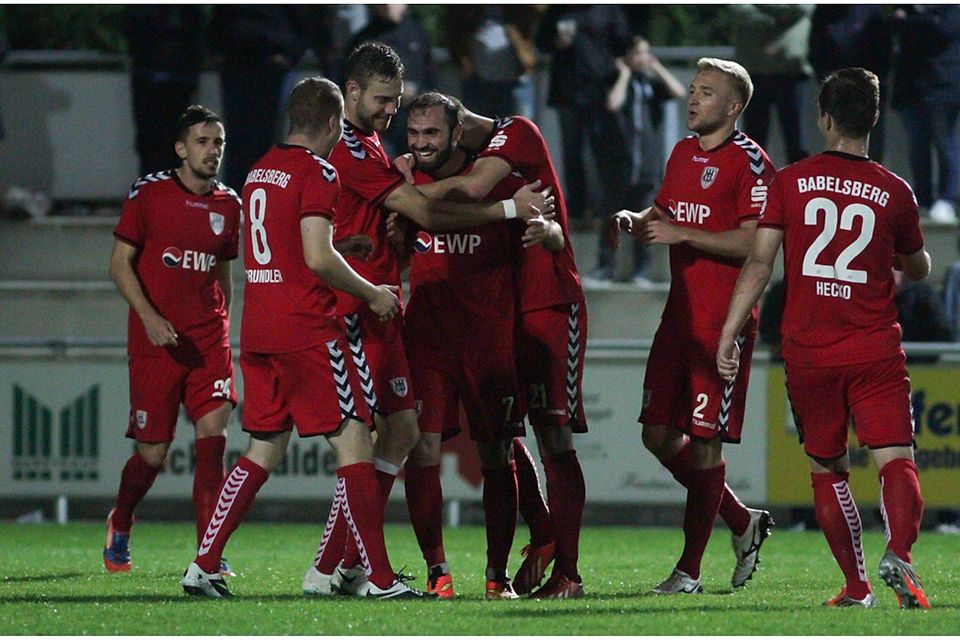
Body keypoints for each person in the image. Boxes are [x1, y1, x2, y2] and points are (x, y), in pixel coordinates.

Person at [302, 43, 554, 598]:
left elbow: (408, 219)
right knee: (381, 442)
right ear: (352, 94)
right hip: (378, 319)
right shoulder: (367, 157)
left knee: (436, 440)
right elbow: (424, 212)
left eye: (405, 110)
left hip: (440, 327)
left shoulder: (379, 150)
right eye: (388, 104)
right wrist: (505, 211)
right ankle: (365, 570)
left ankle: (353, 566)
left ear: (454, 131)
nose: (402, 125)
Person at [179, 77, 423, 599]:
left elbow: (289, 243)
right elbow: (316, 258)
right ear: (335, 123)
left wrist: (343, 245)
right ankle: (376, 578)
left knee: (263, 447)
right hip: (309, 329)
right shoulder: (320, 171)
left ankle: (204, 564)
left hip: (260, 327)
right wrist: (373, 291)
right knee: (357, 439)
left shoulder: (258, 168)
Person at [717, 67, 932, 610]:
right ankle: (899, 553)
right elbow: (920, 266)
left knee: (827, 466)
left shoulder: (788, 182)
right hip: (874, 347)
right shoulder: (894, 190)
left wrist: (730, 331)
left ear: (824, 117)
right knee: (896, 458)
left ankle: (856, 587)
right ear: (874, 119)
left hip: (808, 352)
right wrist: (909, 255)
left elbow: (760, 263)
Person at [395, 98, 589, 599]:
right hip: (429, 339)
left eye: (430, 133)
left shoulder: (506, 184)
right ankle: (436, 573)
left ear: (457, 132)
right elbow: (394, 249)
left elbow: (542, 229)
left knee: (501, 452)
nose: (420, 143)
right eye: (413, 133)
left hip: (490, 342)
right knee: (422, 448)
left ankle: (499, 575)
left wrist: (547, 233)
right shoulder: (406, 183)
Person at [607, 58, 776, 595]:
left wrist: (683, 234)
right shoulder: (682, 153)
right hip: (678, 320)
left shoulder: (751, 162)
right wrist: (637, 221)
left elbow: (756, 242)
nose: (693, 99)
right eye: (694, 90)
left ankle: (689, 572)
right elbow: (665, 215)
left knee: (705, 445)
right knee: (657, 433)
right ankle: (743, 521)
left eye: (706, 92)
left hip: (722, 325)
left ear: (733, 107)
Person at [103, 105, 240, 577]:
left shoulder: (230, 204)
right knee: (153, 454)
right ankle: (122, 518)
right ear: (181, 148)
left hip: (208, 341)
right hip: (155, 340)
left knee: (213, 439)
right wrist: (149, 317)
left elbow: (223, 271)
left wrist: (224, 322)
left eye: (218, 142)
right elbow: (119, 264)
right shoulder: (150, 193)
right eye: (203, 142)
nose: (212, 151)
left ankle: (209, 557)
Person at [591, 35, 686, 284]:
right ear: (628, 57)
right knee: (611, 217)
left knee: (645, 219)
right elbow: (613, 104)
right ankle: (605, 268)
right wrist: (623, 74)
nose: (644, 58)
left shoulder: (651, 84)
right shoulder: (613, 82)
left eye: (646, 52)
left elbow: (678, 91)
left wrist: (656, 67)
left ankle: (641, 270)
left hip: (647, 165)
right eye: (639, 53)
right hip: (619, 165)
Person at [535, 4, 632, 231]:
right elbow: (541, 41)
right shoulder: (559, 10)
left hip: (600, 90)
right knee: (572, 151)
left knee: (603, 150)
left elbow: (623, 41)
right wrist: (556, 43)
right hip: (567, 91)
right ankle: (577, 209)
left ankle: (607, 207)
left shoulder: (608, 9)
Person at [888, 5, 960, 224]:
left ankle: (947, 198)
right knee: (917, 147)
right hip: (910, 88)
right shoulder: (907, 8)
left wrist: (912, 19)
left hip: (942, 86)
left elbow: (940, 33)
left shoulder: (951, 9)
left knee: (944, 143)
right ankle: (922, 198)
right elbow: (892, 25)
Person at [728, 4, 813, 165]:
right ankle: (754, 185)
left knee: (796, 140)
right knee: (753, 142)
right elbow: (738, 10)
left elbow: (801, 8)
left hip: (792, 76)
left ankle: (800, 185)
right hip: (755, 74)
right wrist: (782, 15)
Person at [348, 4, 435, 157]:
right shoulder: (364, 39)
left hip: (413, 120)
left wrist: (416, 92)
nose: (388, 5)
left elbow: (431, 78)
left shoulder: (418, 34)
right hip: (377, 127)